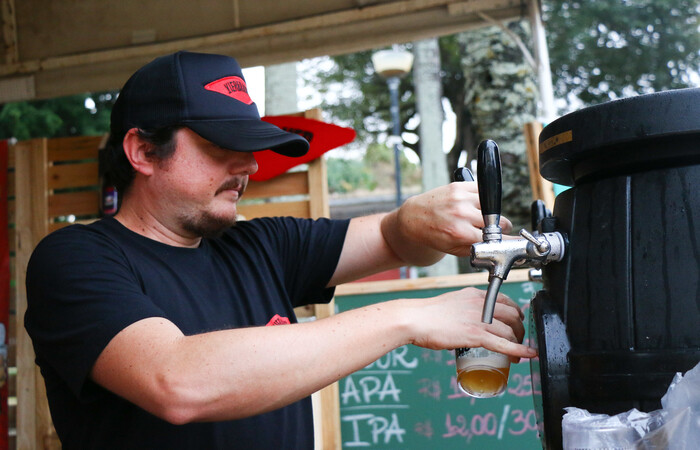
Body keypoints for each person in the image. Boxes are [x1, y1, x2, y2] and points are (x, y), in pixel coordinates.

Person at [24, 51, 535, 449]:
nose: (247, 165)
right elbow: (175, 380)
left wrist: (418, 219)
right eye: (219, 145)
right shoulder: (74, 259)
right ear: (142, 151)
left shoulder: (260, 245)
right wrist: (408, 318)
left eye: (249, 146)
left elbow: (389, 240)